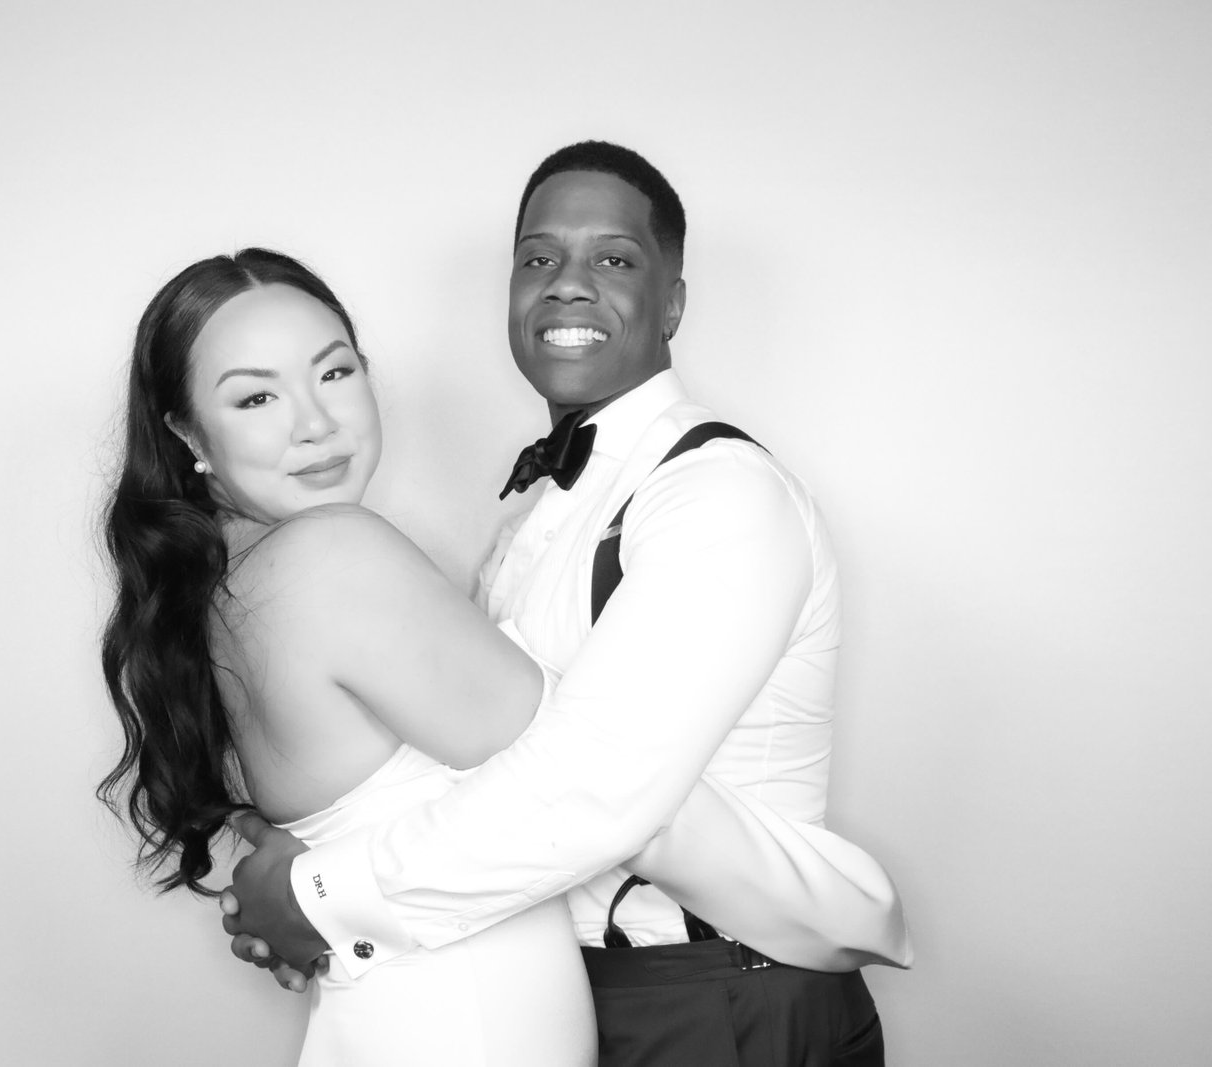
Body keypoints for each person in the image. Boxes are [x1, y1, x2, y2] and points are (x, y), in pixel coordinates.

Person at [222, 142, 911, 1065]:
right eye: (538, 258)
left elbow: (597, 786)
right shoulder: (529, 519)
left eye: (614, 259)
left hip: (720, 998)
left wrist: (322, 898)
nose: (568, 284)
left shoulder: (719, 492)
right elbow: (462, 767)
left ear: (673, 302)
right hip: (566, 996)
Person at [98, 247, 598, 1065]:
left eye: (333, 373)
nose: (315, 423)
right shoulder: (333, 553)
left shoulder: (223, 587)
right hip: (465, 1026)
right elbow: (593, 781)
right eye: (257, 396)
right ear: (186, 431)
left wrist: (307, 894)